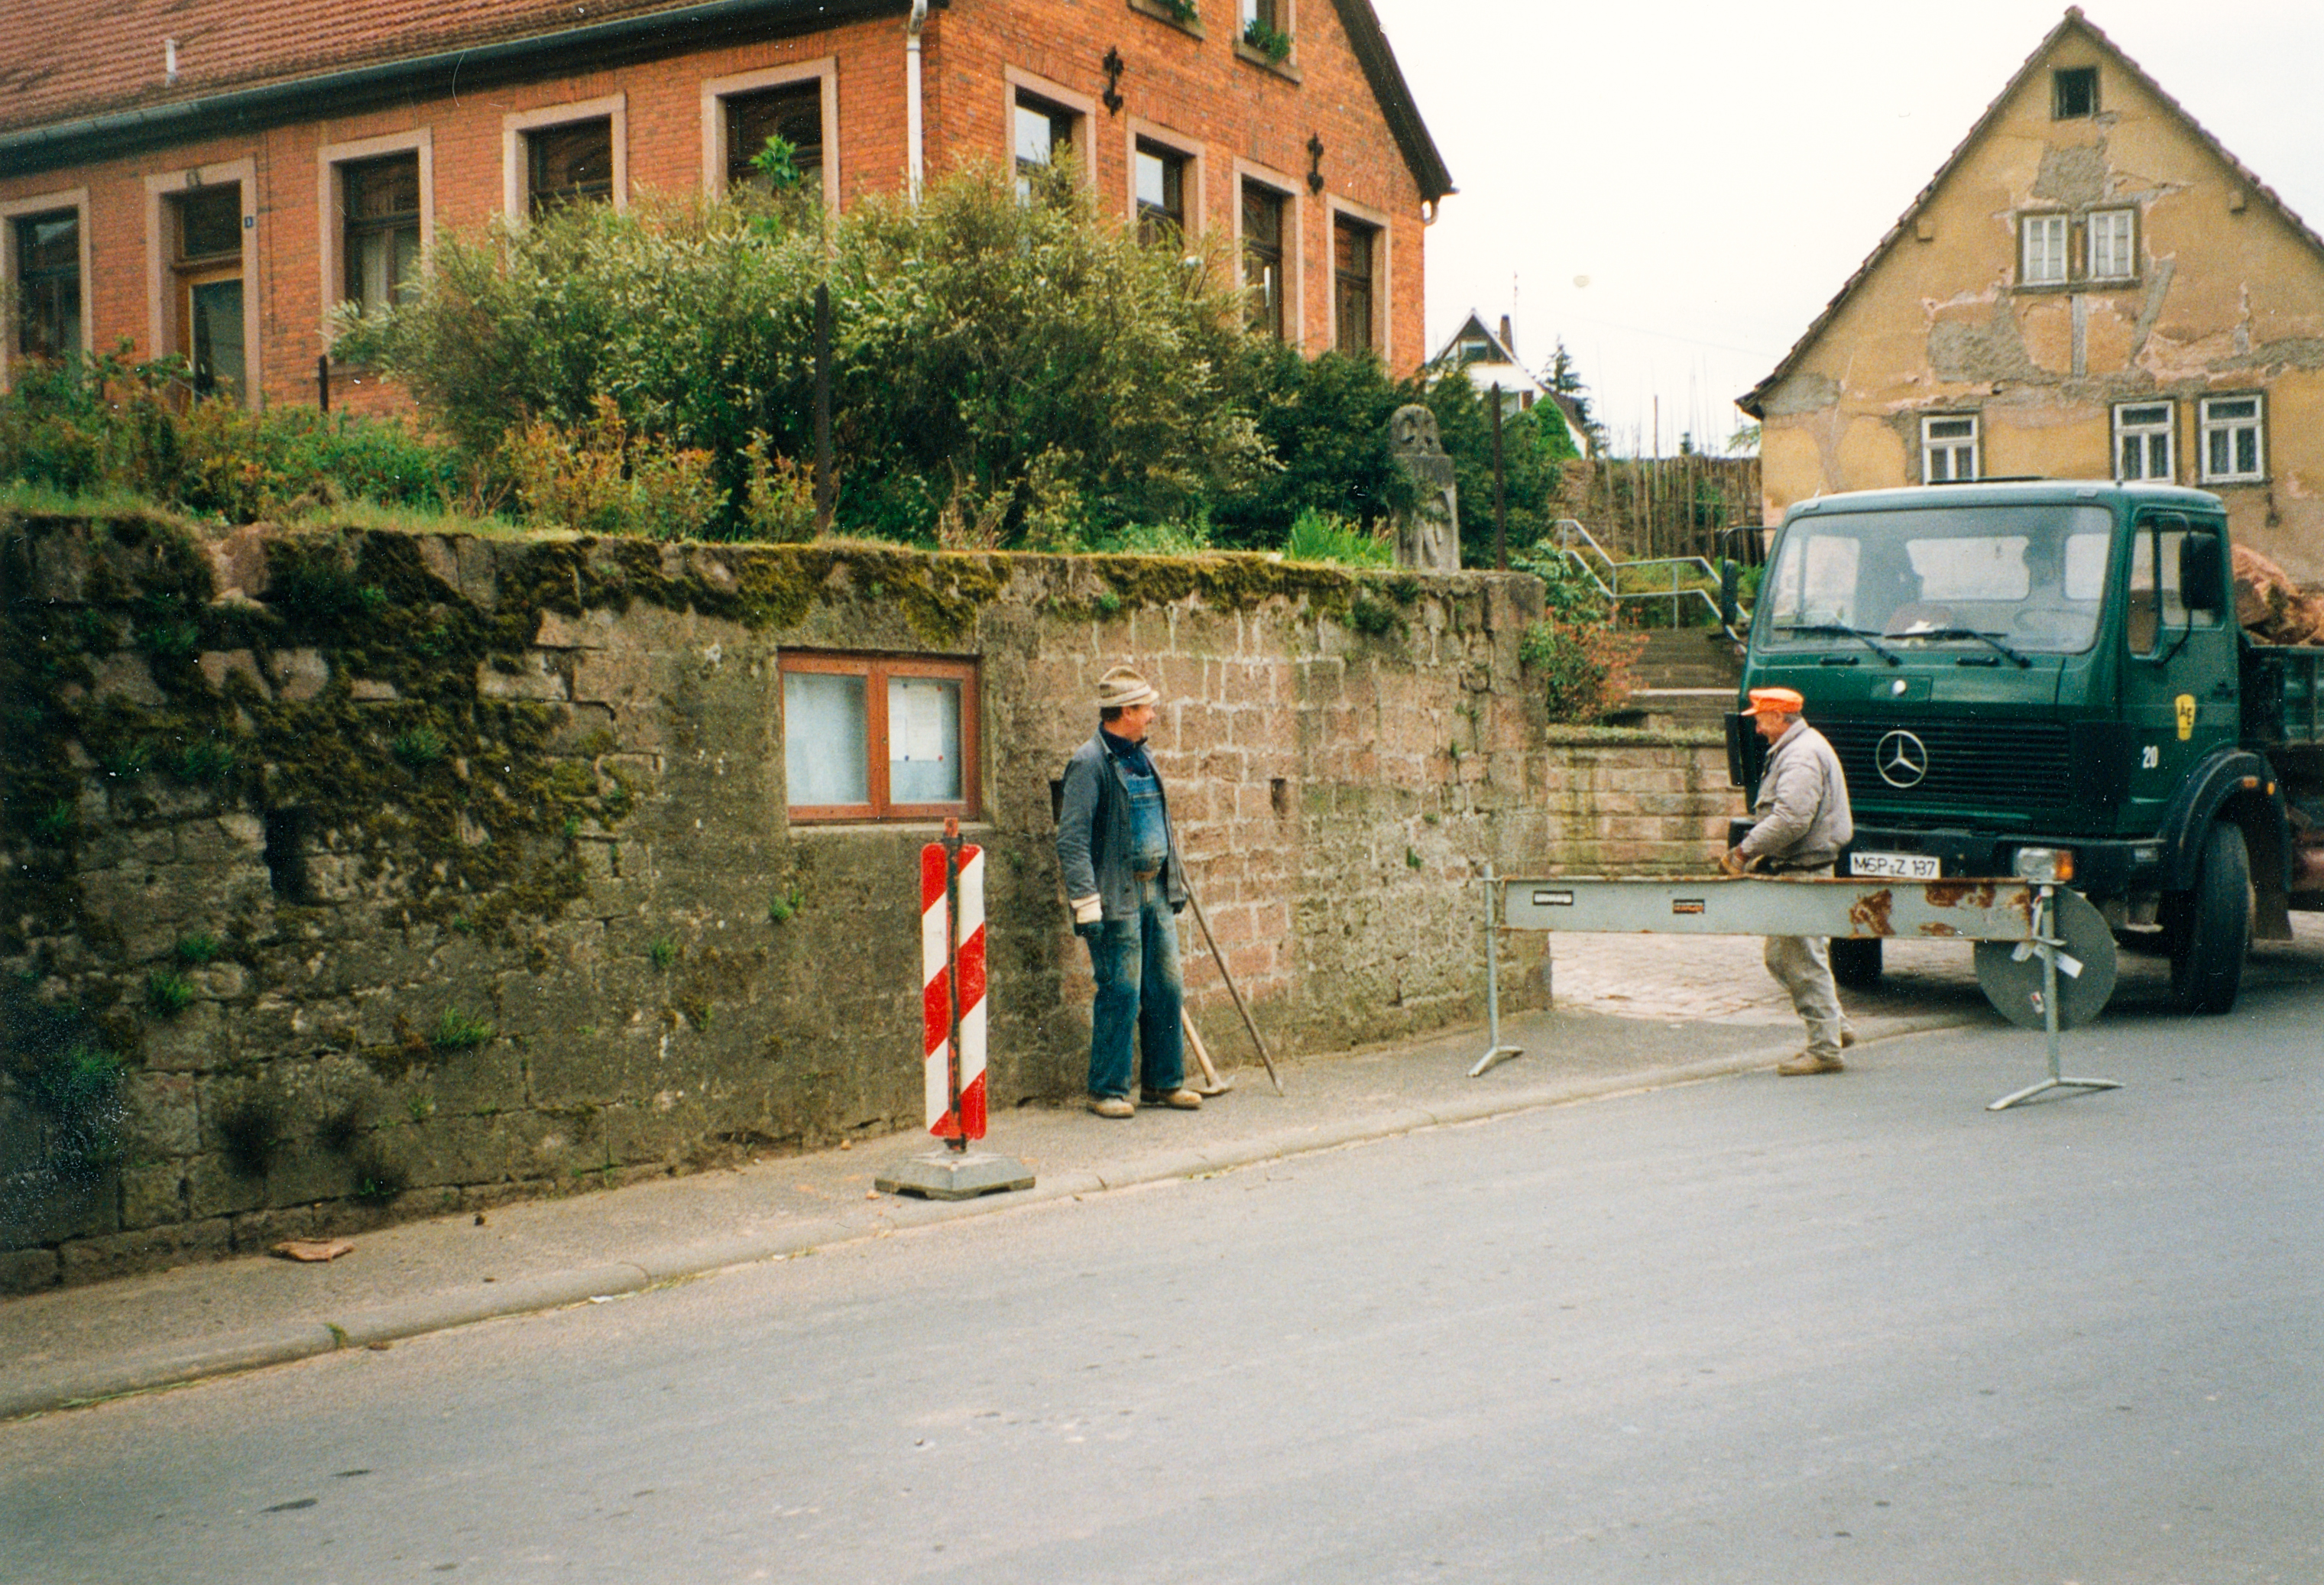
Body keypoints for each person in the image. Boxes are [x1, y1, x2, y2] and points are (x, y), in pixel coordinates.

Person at [1055, 665, 1203, 1117]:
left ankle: (1163, 1084)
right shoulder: (1089, 763)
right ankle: (1107, 1090)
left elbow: (1161, 825)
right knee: (1121, 991)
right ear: (1125, 712)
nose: (1153, 715)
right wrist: (1086, 905)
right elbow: (1072, 840)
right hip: (1115, 898)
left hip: (1154, 892)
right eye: (1146, 708)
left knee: (1166, 988)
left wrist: (1171, 880)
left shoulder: (1143, 756)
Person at [1720, 687, 1859, 1075]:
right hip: (1798, 870)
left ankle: (1825, 1050)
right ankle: (1835, 1027)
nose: (1758, 728)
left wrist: (1743, 852)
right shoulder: (1798, 748)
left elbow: (1791, 819)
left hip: (1804, 872)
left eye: (1761, 719)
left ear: (1780, 717)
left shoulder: (1800, 756)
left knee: (1801, 961)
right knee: (1782, 958)